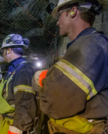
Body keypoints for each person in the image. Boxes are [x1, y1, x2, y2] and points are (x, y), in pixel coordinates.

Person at [34, 0, 108, 133]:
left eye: (59, 16)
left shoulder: (91, 46)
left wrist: (43, 81)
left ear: (73, 11)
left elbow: (54, 102)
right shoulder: (88, 45)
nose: (57, 22)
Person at [0, 34, 37, 134]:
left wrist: (17, 129)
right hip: (4, 121)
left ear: (8, 50)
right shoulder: (12, 69)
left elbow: (25, 104)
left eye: (3, 51)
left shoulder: (23, 71)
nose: (2, 54)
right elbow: (6, 97)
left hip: (12, 124)